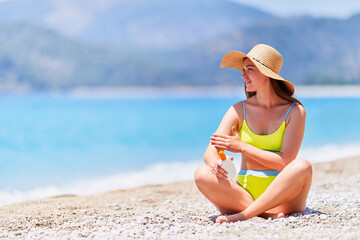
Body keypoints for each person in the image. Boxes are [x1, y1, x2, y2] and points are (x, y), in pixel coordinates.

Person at [194, 44, 312, 223]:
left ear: (266, 74)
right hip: (245, 194)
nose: (243, 75)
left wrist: (242, 147)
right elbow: (210, 151)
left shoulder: (295, 111)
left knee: (303, 166)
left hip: (284, 198)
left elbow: (285, 162)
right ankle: (262, 213)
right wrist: (217, 165)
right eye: (243, 69)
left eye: (250, 69)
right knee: (202, 173)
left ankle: (244, 215)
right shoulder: (238, 109)